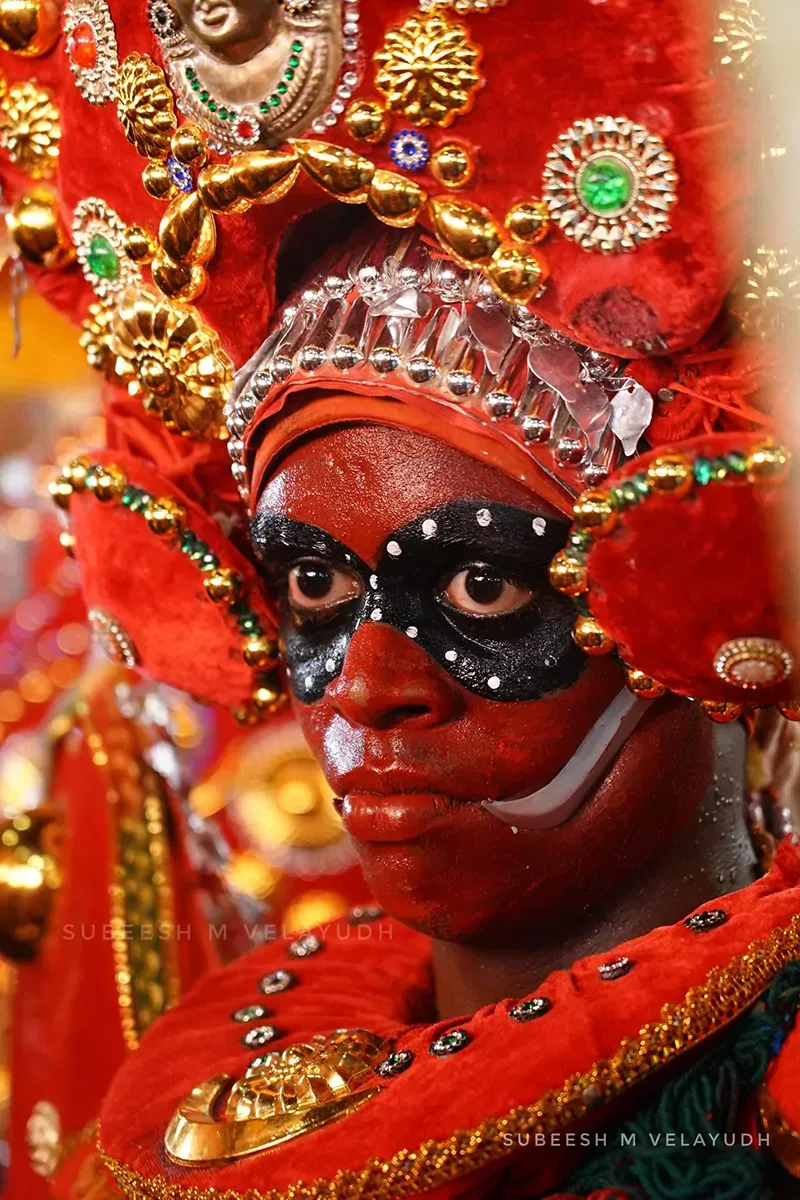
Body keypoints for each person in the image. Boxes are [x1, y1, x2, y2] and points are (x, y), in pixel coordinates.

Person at [2, 0, 799, 1195]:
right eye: (313, 584)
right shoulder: (198, 1086)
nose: (365, 692)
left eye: (482, 585)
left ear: (704, 602)